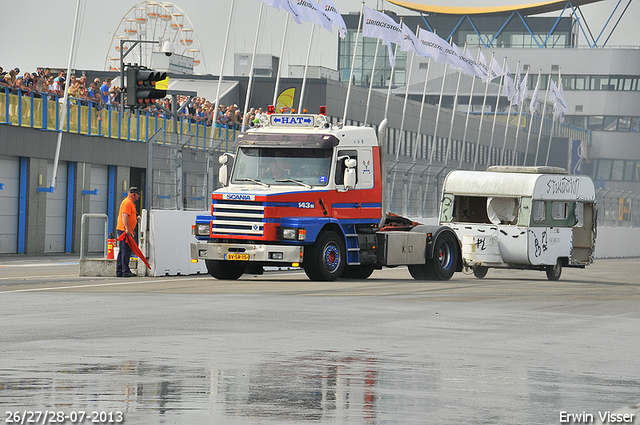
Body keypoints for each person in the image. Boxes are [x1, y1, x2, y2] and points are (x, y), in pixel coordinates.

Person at [116, 186, 141, 278]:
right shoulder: (127, 203)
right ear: (133, 194)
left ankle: (120, 270)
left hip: (124, 229)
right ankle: (125, 271)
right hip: (124, 230)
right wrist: (127, 229)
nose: (138, 197)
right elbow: (124, 216)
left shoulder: (129, 202)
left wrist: (131, 229)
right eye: (138, 195)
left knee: (123, 250)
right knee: (125, 251)